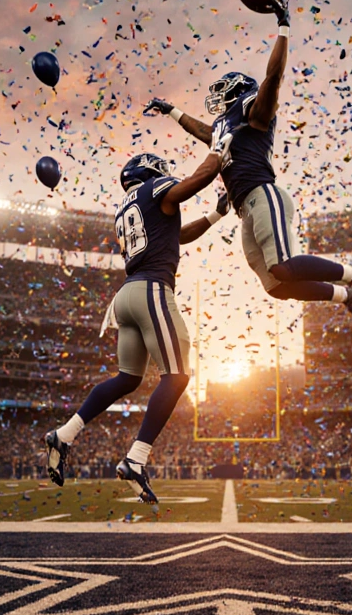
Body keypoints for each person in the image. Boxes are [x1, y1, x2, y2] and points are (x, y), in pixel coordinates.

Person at [142, 0, 352, 331]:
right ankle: (346, 296)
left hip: (263, 194)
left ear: (238, 90)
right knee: (278, 286)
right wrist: (172, 112)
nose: (217, 97)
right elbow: (205, 132)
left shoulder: (253, 108)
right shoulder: (226, 124)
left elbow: (273, 80)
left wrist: (283, 27)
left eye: (223, 90)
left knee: (284, 264)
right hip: (244, 208)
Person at [42, 149, 225, 504]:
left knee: (127, 378)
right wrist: (219, 151)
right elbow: (194, 182)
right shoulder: (156, 187)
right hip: (152, 290)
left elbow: (177, 235)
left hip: (124, 297)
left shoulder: (127, 207)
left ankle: (65, 434)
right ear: (153, 171)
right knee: (177, 376)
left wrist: (217, 215)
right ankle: (136, 459)